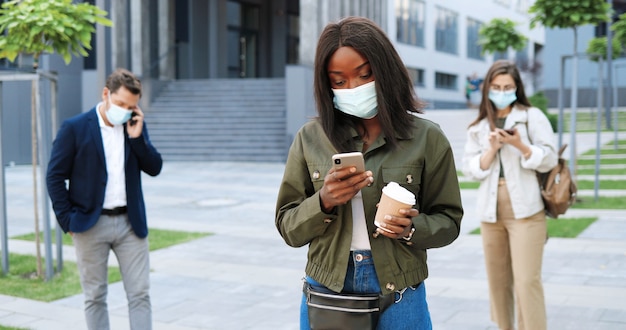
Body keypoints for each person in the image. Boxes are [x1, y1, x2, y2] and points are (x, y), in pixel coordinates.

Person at [275, 16, 463, 330]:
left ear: (385, 71)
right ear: (327, 84)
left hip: (401, 290)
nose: (353, 88)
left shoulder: (428, 138)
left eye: (365, 75)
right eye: (339, 80)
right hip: (328, 288)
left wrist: (410, 228)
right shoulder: (310, 138)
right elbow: (287, 226)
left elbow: (449, 221)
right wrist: (323, 201)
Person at [46, 68, 162, 330]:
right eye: (120, 104)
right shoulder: (74, 128)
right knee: (95, 297)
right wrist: (68, 221)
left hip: (130, 224)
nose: (125, 110)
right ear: (106, 94)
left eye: (131, 106)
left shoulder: (133, 126)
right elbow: (54, 177)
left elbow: (155, 167)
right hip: (89, 224)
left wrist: (138, 139)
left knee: (140, 295)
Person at [462, 60, 557, 330]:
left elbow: (549, 158)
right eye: (496, 87)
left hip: (526, 212)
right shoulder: (479, 126)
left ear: (517, 88)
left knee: (527, 281)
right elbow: (470, 169)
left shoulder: (531, 116)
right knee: (498, 282)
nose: (502, 91)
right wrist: (491, 150)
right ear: (487, 89)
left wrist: (520, 145)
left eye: (508, 87)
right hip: (491, 214)